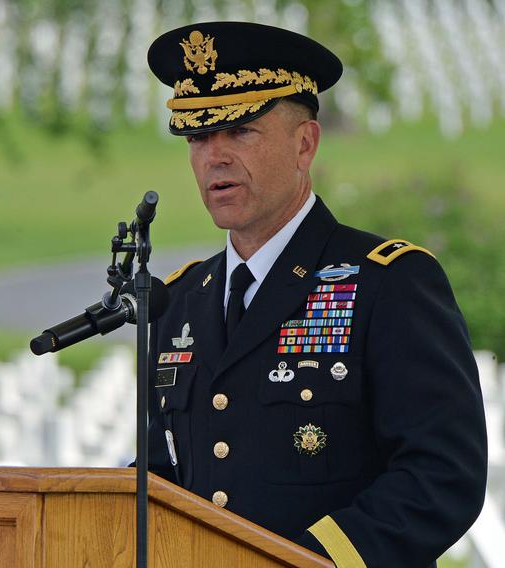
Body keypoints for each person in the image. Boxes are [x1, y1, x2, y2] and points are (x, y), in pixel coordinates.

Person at [144, 21, 487, 567]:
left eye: (242, 131)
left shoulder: (387, 283)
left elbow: (442, 475)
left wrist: (303, 562)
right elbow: (160, 479)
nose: (215, 156)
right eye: (199, 137)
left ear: (305, 144)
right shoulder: (179, 301)